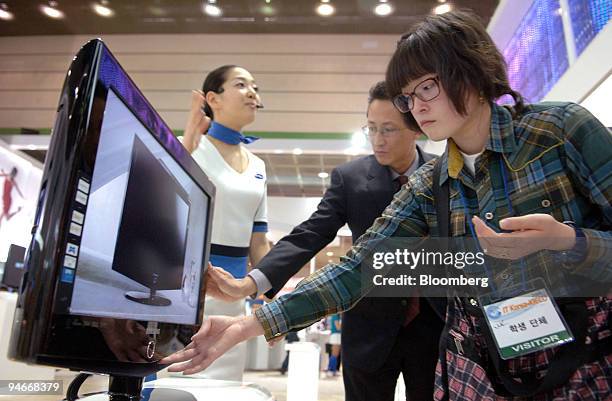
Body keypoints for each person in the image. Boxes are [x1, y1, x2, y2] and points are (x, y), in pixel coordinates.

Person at [163, 11, 611, 400]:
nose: (416, 107)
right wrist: (247, 326)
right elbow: (362, 265)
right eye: (408, 98)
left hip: (584, 363)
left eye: (428, 89)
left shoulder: (558, 132)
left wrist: (571, 242)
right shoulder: (430, 184)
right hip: (483, 371)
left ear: (472, 72)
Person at [206, 81, 443, 400]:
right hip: (368, 326)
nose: (378, 140)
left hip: (435, 325)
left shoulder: (445, 174)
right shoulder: (352, 179)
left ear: (416, 129)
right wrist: (253, 283)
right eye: (371, 128)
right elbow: (311, 233)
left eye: (388, 129)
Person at [179, 64, 270, 382]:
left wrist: (266, 297)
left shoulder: (258, 165)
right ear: (213, 99)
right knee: (177, 384)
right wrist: (187, 143)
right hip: (185, 292)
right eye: (242, 85)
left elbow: (258, 240)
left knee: (225, 387)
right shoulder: (189, 146)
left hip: (234, 299)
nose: (253, 93)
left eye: (255, 87)